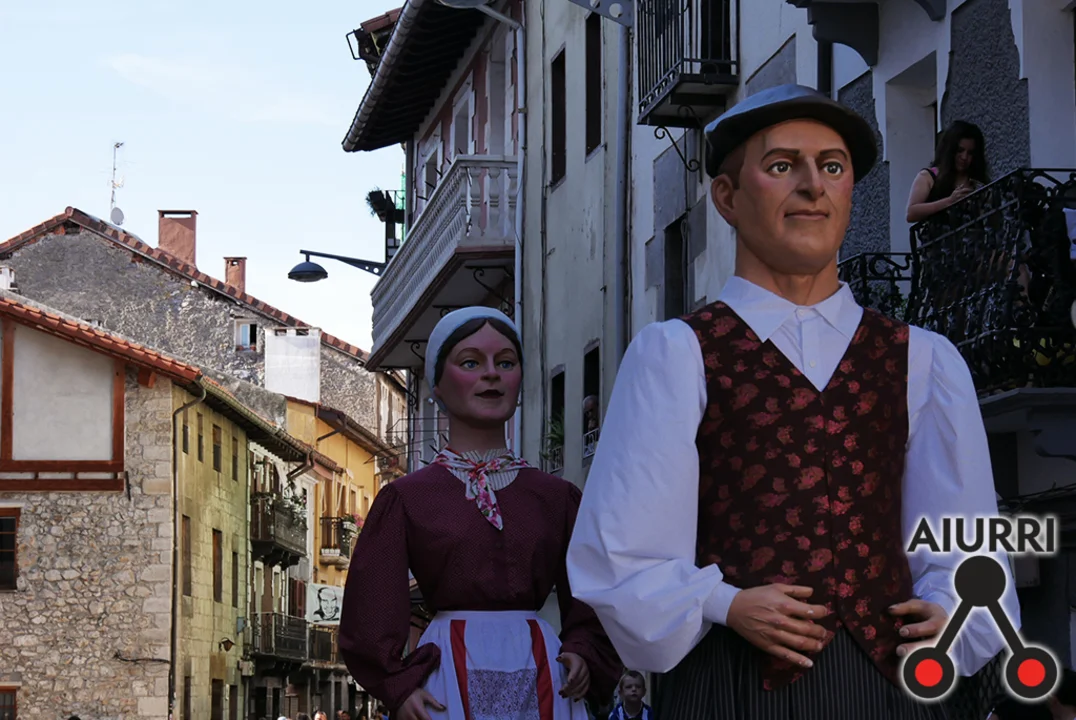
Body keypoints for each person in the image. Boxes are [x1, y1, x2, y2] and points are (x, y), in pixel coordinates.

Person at [566, 84, 1019, 720]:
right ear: (727, 197)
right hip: (733, 688)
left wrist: (950, 608)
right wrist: (723, 602)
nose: (812, 186)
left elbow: (966, 536)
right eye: (782, 166)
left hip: (891, 691)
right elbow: (621, 552)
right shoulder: (676, 355)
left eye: (832, 166)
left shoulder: (924, 360)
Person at [339, 307, 621, 720]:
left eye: (505, 363)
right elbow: (371, 605)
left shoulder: (556, 498)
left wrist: (583, 650)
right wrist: (397, 687)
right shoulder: (407, 499)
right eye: (471, 362)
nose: (491, 374)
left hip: (543, 670)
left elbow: (594, 590)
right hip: (446, 678)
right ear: (437, 383)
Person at [906, 120, 990, 223]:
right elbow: (911, 213)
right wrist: (949, 201)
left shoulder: (977, 181)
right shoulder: (928, 176)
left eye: (970, 153)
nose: (964, 157)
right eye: (960, 150)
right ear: (950, 150)